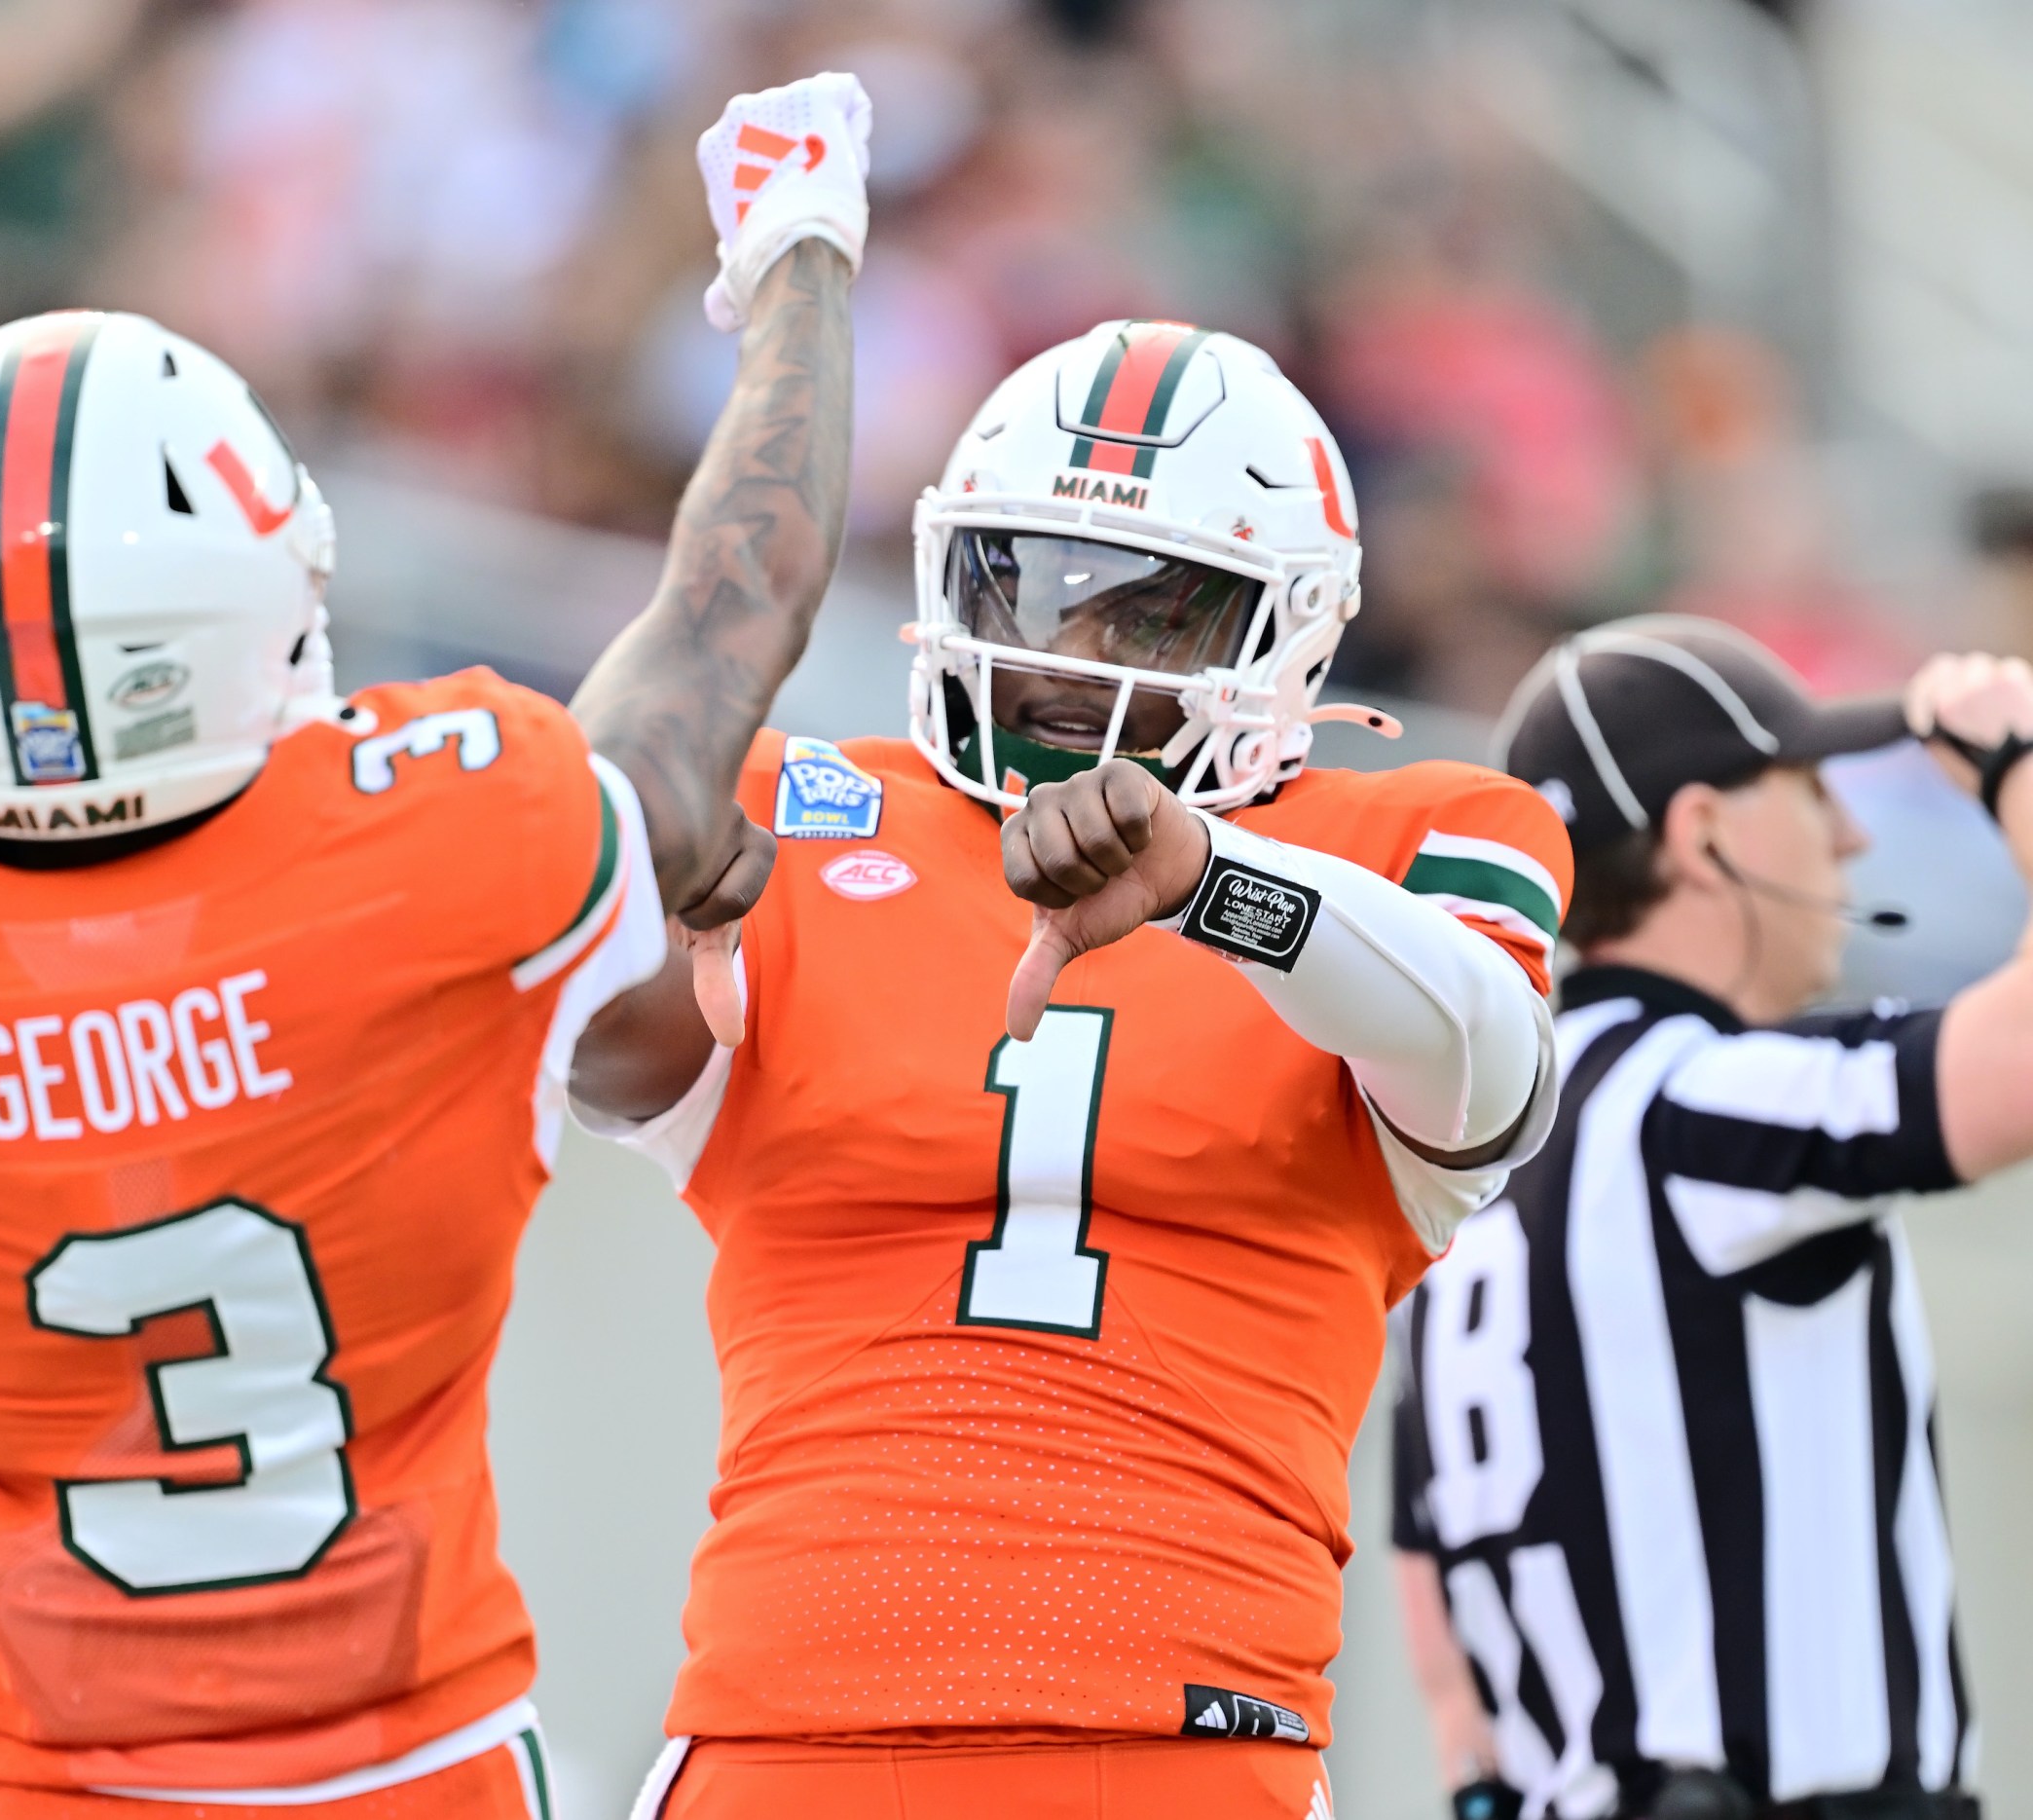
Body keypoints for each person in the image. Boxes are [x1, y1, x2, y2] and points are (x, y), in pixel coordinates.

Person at [0, 74, 869, 1820]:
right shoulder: (448, 840)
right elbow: (730, 612)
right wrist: (801, 250)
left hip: (36, 1783)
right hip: (422, 1764)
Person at [566, 318, 1572, 1819]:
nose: (1063, 655)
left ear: (1287, 630)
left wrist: (1214, 880)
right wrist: (635, 870)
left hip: (1179, 1745)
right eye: (1023, 581)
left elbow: (1491, 1073)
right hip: (777, 1739)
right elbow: (581, 1038)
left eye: (1151, 615)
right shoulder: (792, 815)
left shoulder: (1413, 839)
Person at [1387, 620, 2033, 1820]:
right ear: (1705, 834)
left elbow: (1426, 1575)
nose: (1852, 834)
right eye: (1808, 790)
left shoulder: (1468, 1149)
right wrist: (2016, 765)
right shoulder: (1694, 1097)